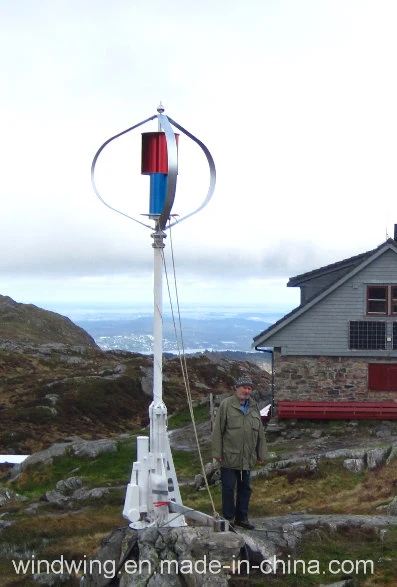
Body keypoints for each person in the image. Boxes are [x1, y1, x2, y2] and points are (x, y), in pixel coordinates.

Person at [212, 375, 266, 530]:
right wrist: (217, 452)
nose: (247, 391)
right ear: (236, 388)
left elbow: (260, 432)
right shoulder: (226, 405)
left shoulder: (254, 407)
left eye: (249, 388)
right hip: (229, 456)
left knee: (245, 489)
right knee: (228, 488)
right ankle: (228, 519)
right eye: (244, 387)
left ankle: (242, 518)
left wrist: (261, 454)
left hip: (247, 458)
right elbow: (218, 430)